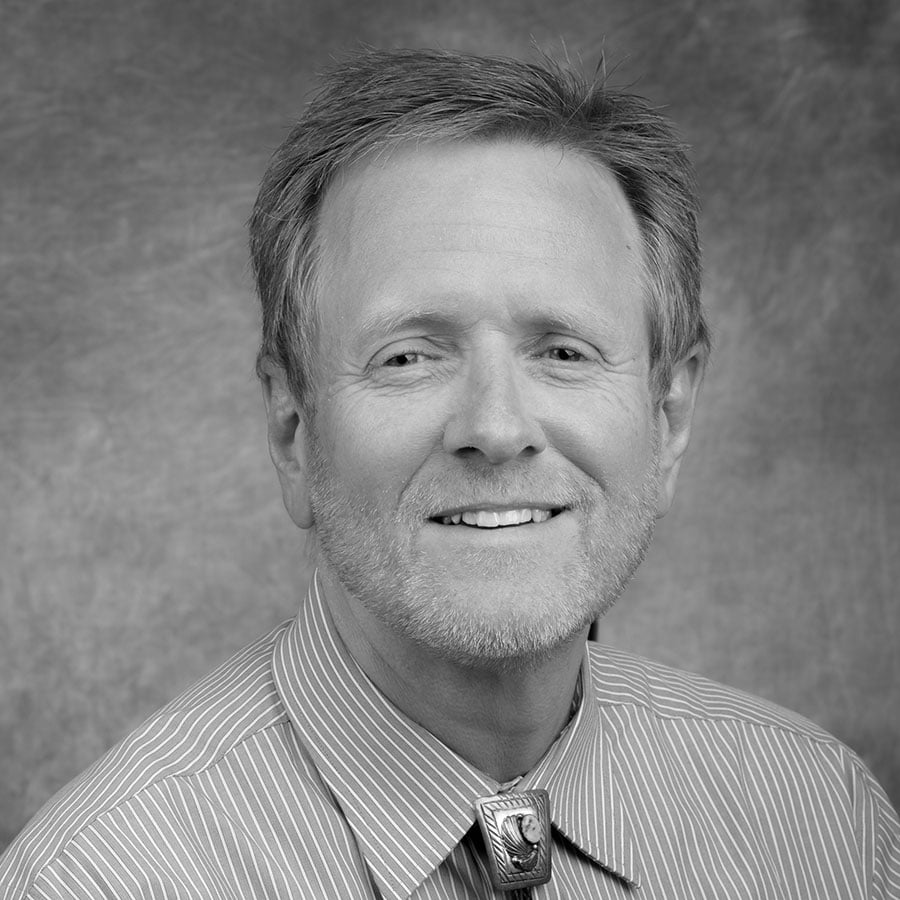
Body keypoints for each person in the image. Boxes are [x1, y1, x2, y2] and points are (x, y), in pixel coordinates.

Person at [1, 47, 898, 900]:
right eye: (408, 357)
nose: (495, 429)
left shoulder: (823, 824)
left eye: (564, 351)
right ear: (291, 425)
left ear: (668, 415)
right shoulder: (100, 878)